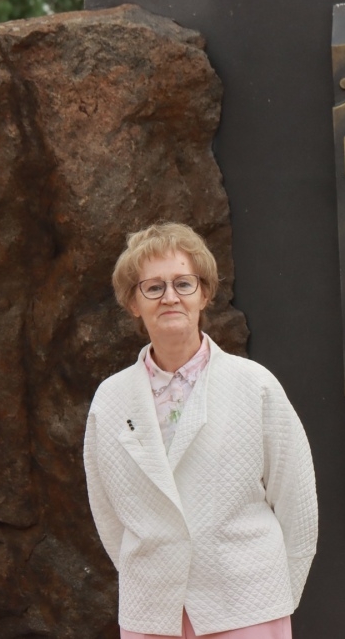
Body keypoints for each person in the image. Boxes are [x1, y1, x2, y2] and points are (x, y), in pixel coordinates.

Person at [84, 222, 317, 639]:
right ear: (133, 302)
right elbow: (107, 512)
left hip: (247, 609)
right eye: (153, 287)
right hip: (152, 613)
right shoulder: (110, 400)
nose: (170, 297)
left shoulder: (255, 385)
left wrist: (276, 596)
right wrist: (157, 572)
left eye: (183, 283)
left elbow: (297, 501)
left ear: (204, 294)